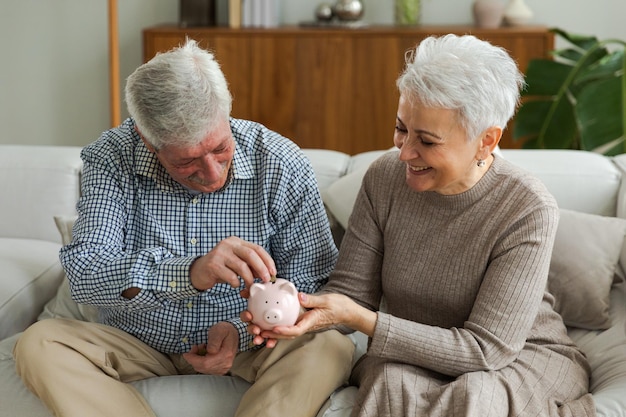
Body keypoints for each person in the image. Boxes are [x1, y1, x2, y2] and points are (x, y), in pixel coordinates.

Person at [254, 34, 596, 416]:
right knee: (389, 383)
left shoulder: (526, 208)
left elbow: (485, 351)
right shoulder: (384, 178)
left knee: (475, 397)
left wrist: (361, 319)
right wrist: (296, 313)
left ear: (486, 141)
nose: (404, 152)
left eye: (427, 141)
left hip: (513, 358)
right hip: (411, 354)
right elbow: (352, 295)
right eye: (402, 128)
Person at [13, 39, 354, 417]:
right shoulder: (111, 157)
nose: (212, 173)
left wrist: (243, 330)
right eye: (187, 161)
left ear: (227, 113)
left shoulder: (281, 162)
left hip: (253, 345)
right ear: (147, 139)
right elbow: (86, 273)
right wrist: (189, 272)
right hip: (136, 340)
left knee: (329, 347)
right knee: (39, 343)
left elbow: (316, 282)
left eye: (220, 148)